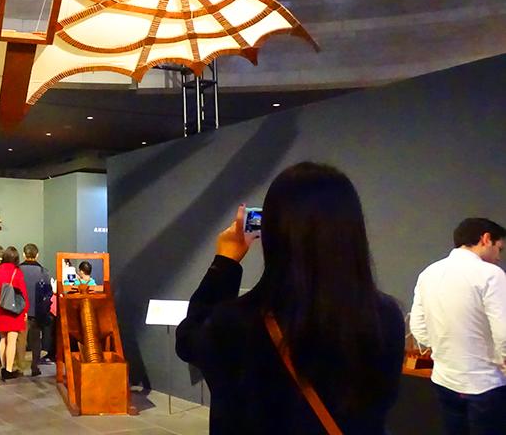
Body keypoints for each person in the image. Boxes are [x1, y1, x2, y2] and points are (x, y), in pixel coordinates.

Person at [175, 162, 405, 434]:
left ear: (273, 231)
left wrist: (225, 262)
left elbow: (188, 340)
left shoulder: (237, 323)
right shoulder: (385, 317)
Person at [410, 218, 506, 435]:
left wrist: (444, 349)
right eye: (499, 249)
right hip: (485, 384)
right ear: (486, 239)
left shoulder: (429, 273)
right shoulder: (491, 275)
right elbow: (504, 332)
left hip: (444, 379)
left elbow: (418, 327)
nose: (499, 257)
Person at [0, 246, 28, 381]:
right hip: (13, 311)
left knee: (3, 339)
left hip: (0, 310)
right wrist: (25, 310)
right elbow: (22, 294)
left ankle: (3, 366)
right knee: (12, 340)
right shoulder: (17, 272)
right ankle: (9, 370)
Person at [20, 243, 53, 376]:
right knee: (36, 341)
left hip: (21, 311)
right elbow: (48, 292)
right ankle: (35, 366)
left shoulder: (18, 270)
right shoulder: (43, 272)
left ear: (24, 254)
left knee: (20, 341)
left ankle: (19, 366)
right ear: (37, 255)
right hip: (37, 311)